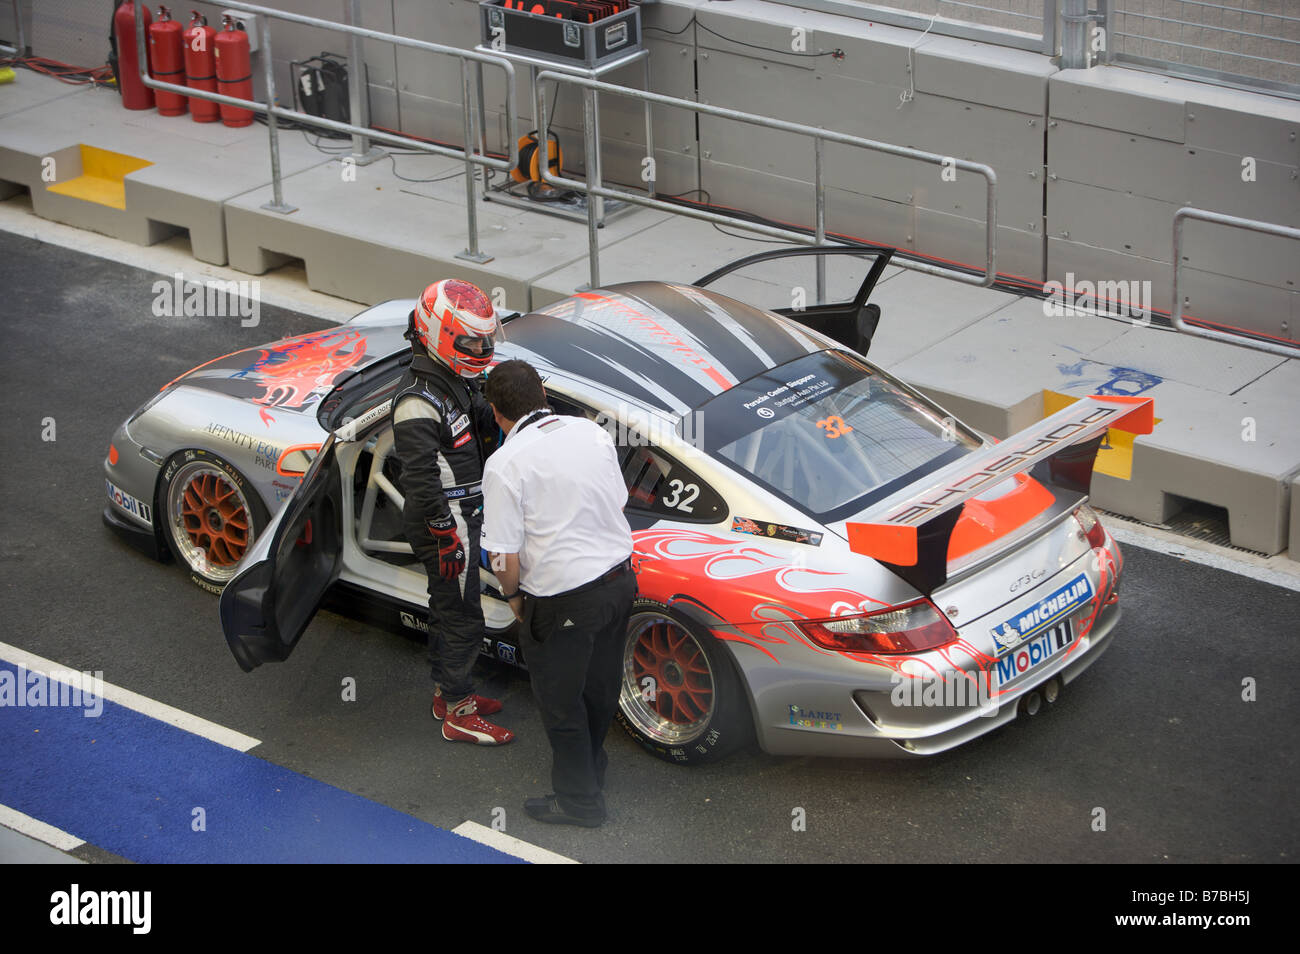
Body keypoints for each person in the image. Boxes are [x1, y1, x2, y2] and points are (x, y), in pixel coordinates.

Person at [480, 360, 636, 827]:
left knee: (560, 702)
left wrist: (513, 598)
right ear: (543, 395)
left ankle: (579, 802)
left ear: (495, 412)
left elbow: (503, 556)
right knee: (601, 688)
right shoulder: (591, 433)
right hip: (621, 582)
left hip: (563, 598)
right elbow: (619, 500)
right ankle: (593, 769)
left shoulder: (504, 463)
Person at [391, 278, 514, 746]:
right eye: (471, 340)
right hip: (446, 520)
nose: (481, 348)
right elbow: (419, 481)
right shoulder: (418, 402)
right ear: (440, 333)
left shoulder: (452, 377)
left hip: (463, 513)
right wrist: (444, 531)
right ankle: (458, 713)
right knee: (463, 616)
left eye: (485, 338)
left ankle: (448, 693)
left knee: (450, 609)